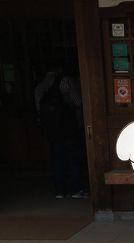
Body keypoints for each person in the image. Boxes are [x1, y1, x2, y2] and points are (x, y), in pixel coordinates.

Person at [35, 67, 88, 199]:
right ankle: (77, 189)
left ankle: (60, 191)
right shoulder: (66, 81)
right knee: (74, 159)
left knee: (57, 160)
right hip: (69, 128)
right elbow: (78, 102)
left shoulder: (40, 86)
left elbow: (38, 110)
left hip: (52, 131)